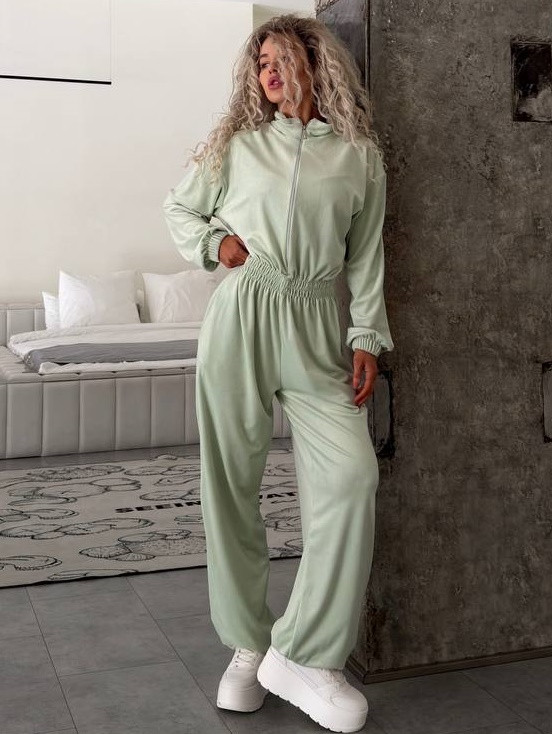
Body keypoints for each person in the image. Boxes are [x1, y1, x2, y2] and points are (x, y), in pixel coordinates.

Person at [163, 13, 394, 734]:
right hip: (242, 312)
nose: (267, 70)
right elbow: (180, 208)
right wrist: (217, 245)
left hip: (317, 321)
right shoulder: (237, 146)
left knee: (351, 477)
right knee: (231, 485)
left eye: (280, 57)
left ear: (315, 64)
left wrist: (367, 336)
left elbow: (366, 257)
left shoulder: (358, 158)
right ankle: (248, 643)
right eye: (260, 60)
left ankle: (303, 653)